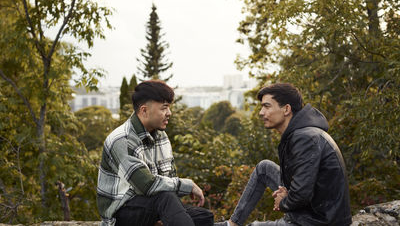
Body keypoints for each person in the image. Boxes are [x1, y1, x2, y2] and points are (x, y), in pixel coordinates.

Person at [215, 83, 351, 226]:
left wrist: (284, 201)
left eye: (267, 106)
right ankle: (232, 224)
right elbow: (302, 183)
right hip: (312, 209)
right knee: (264, 168)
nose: (261, 112)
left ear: (286, 109)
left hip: (319, 221)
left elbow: (301, 195)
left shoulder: (305, 138)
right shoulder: (299, 133)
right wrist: (287, 192)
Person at [97, 80, 214, 226]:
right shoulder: (123, 140)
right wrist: (188, 185)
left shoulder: (161, 136)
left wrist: (169, 215)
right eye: (164, 108)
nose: (169, 113)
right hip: (121, 214)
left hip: (151, 206)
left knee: (204, 217)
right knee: (165, 198)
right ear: (144, 110)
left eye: (169, 108)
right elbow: (146, 185)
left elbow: (168, 179)